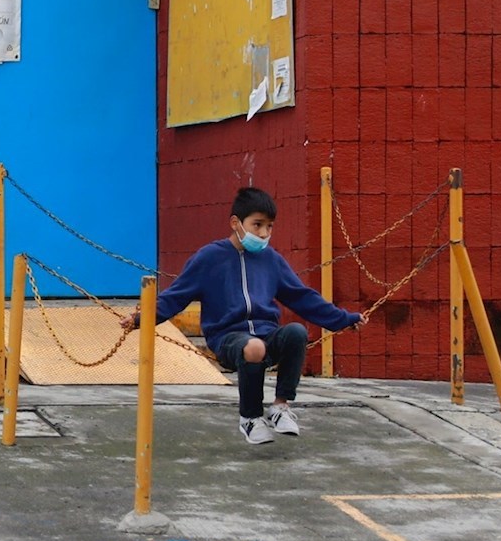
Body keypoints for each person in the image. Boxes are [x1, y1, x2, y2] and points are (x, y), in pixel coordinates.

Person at [120, 186, 365, 446]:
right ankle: (250, 417)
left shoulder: (272, 260)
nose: (264, 233)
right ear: (236, 223)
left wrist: (343, 319)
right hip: (228, 338)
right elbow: (176, 296)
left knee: (296, 332)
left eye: (269, 226)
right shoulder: (209, 258)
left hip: (266, 334)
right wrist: (140, 319)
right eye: (257, 224)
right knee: (254, 347)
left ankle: (280, 407)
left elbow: (302, 296)